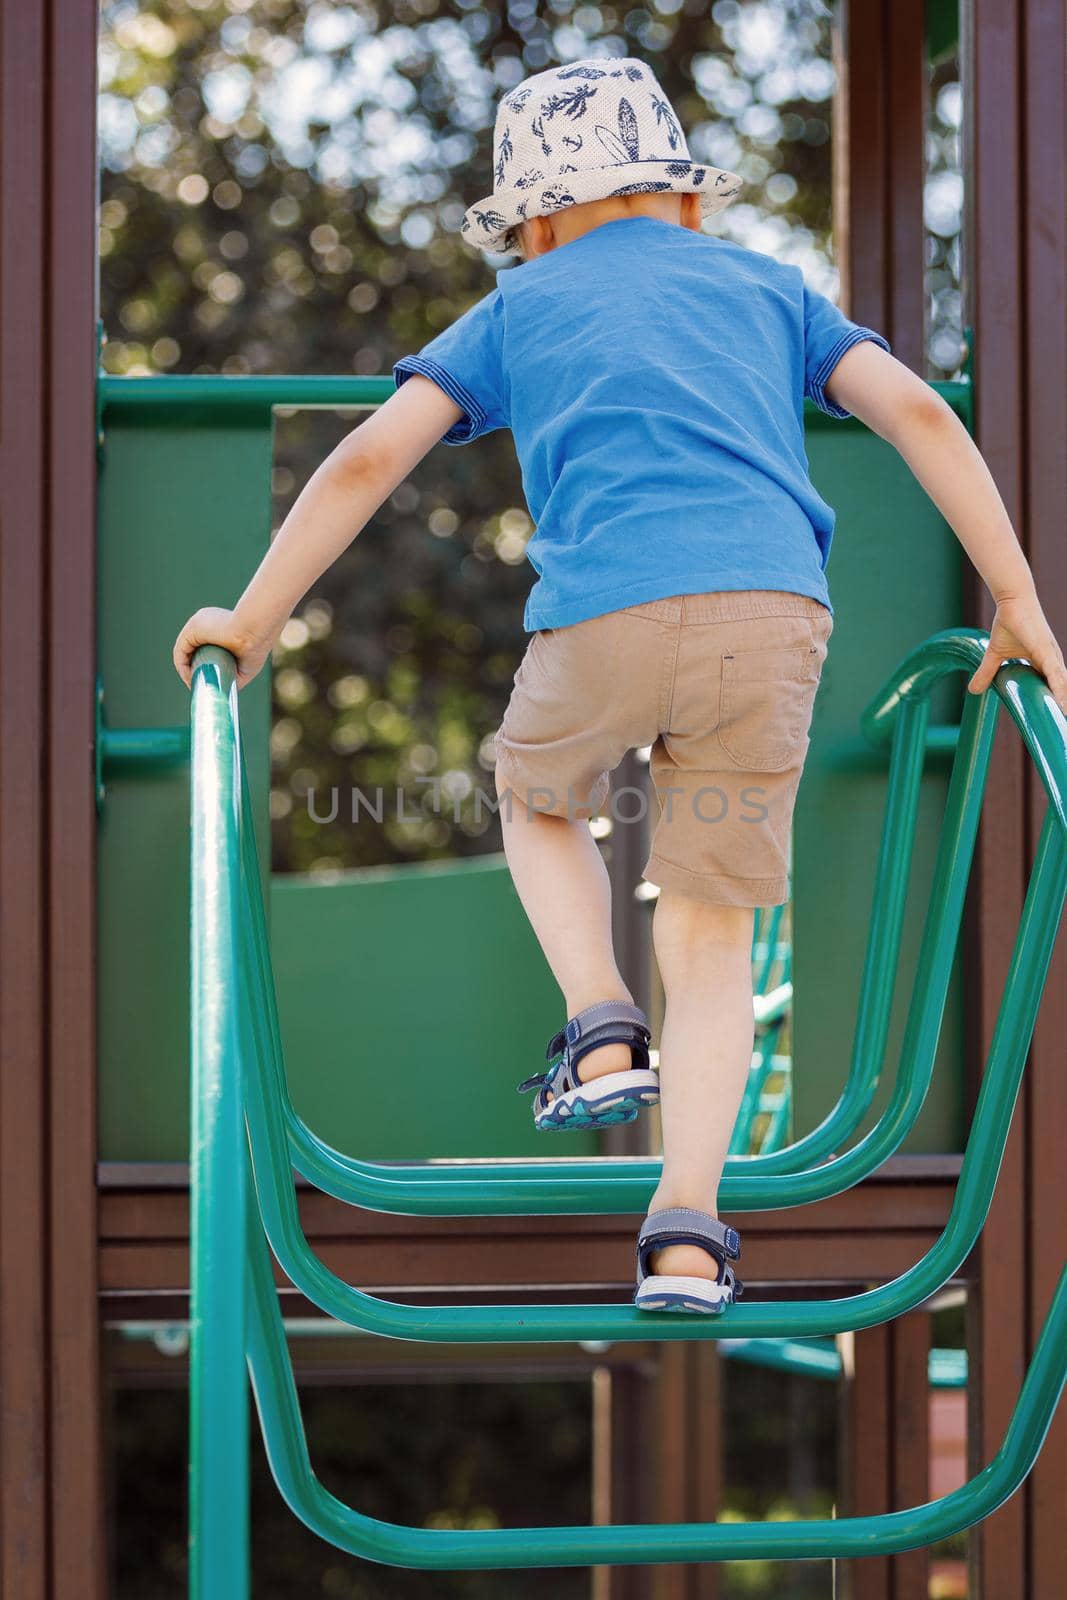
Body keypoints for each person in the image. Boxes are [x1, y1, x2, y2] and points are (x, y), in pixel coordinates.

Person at [173, 57, 1067, 1316]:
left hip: (602, 615)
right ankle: (687, 1235)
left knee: (535, 796)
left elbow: (372, 455)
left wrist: (252, 615)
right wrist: (1016, 598)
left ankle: (597, 1018)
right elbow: (918, 416)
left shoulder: (517, 304)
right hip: (770, 616)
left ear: (530, 222)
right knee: (711, 933)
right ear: (684, 199)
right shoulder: (768, 289)